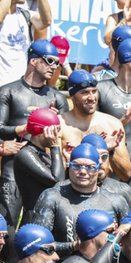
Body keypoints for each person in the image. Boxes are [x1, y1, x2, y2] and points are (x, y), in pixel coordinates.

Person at [0, 38, 68, 228]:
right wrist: (22, 130)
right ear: (33, 60)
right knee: (9, 222)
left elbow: (65, 133)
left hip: (44, 164)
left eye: (58, 63)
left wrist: (58, 122)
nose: (55, 67)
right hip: (14, 164)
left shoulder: (56, 97)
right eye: (50, 61)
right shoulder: (9, 91)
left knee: (37, 220)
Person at [33, 143, 130, 245]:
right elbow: (38, 245)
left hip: (105, 260)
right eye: (76, 166)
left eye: (90, 167)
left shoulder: (116, 201)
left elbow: (129, 246)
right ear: (69, 166)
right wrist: (76, 246)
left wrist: (127, 226)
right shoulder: (52, 197)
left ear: (98, 169)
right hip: (64, 260)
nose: (83, 171)